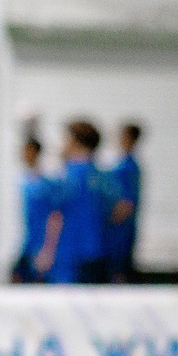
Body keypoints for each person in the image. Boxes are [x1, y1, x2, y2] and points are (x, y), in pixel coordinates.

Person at [57, 118, 109, 284]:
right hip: (98, 250)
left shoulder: (72, 175)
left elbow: (56, 214)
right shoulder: (101, 175)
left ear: (75, 142)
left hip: (73, 254)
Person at [13, 129, 63, 284]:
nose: (22, 154)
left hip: (40, 248)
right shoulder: (26, 182)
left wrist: (48, 249)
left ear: (34, 152)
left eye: (26, 151)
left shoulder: (46, 185)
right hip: (28, 244)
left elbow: (55, 218)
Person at [99, 121, 143, 282]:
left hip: (120, 232)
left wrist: (108, 220)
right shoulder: (118, 165)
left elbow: (126, 204)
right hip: (114, 232)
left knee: (118, 271)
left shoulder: (129, 168)